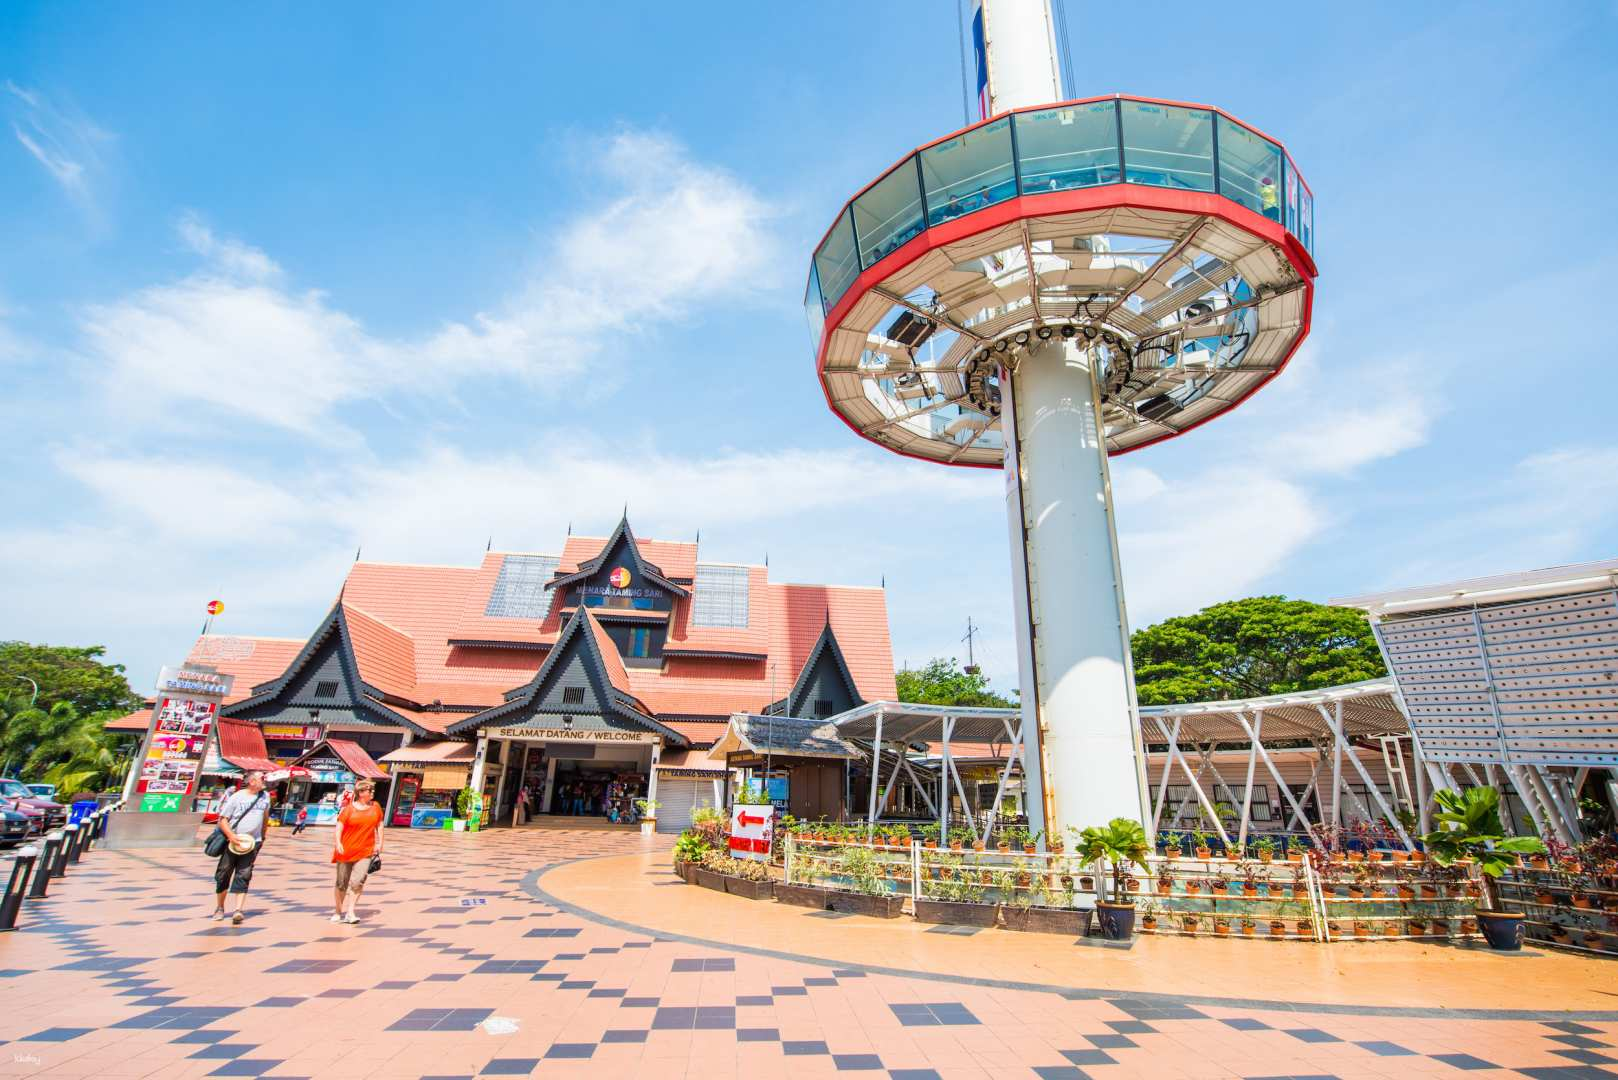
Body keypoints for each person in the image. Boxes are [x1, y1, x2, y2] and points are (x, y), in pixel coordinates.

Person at [212, 770, 270, 925]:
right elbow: (223, 820)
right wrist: (231, 836)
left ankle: (238, 910)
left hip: (252, 843)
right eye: (261, 778)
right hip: (233, 842)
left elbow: (265, 817)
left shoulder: (265, 796)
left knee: (244, 874)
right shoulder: (237, 797)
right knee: (224, 874)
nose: (263, 780)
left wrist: (263, 836)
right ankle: (220, 907)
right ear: (251, 781)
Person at [331, 778, 383, 925]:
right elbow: (339, 827)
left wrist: (380, 842)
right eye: (369, 790)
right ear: (361, 793)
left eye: (372, 790)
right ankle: (337, 911)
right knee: (342, 882)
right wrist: (338, 842)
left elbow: (379, 824)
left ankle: (350, 912)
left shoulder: (376, 807)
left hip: (366, 850)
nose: (372, 793)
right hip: (346, 850)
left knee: (358, 881)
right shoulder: (349, 809)